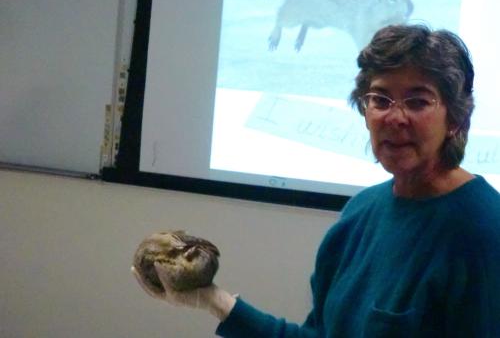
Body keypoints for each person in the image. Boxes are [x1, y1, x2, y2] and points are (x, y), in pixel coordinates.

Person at [131, 24, 500, 337]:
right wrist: (217, 302)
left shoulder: (484, 229)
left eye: (418, 102)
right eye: (380, 99)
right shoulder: (360, 213)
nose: (395, 117)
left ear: (455, 119)